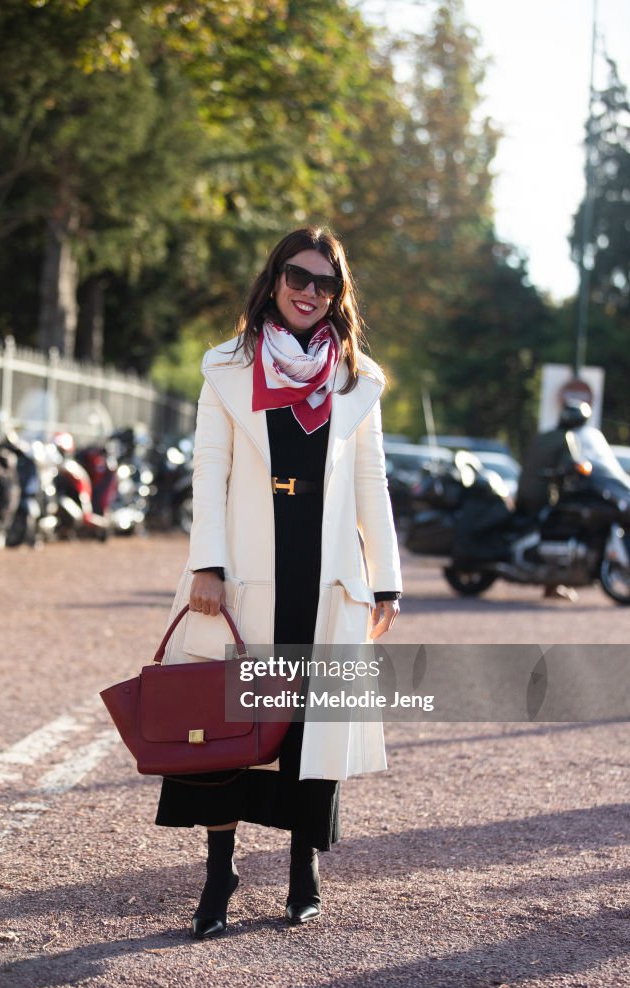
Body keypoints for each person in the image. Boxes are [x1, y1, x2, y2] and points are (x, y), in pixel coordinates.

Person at [154, 225, 402, 938]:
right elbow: (210, 467)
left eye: (324, 283)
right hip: (244, 575)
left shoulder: (358, 378)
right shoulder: (226, 368)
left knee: (308, 732)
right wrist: (208, 564)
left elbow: (369, 481)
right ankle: (219, 870)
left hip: (324, 581)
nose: (309, 292)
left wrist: (384, 581)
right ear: (273, 279)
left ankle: (303, 865)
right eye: (297, 276)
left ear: (337, 295)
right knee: (229, 723)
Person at [516, 400, 592, 600]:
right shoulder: (567, 438)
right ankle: (551, 583)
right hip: (543, 495)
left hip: (524, 492)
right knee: (554, 533)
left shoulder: (544, 436)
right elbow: (572, 464)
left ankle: (550, 583)